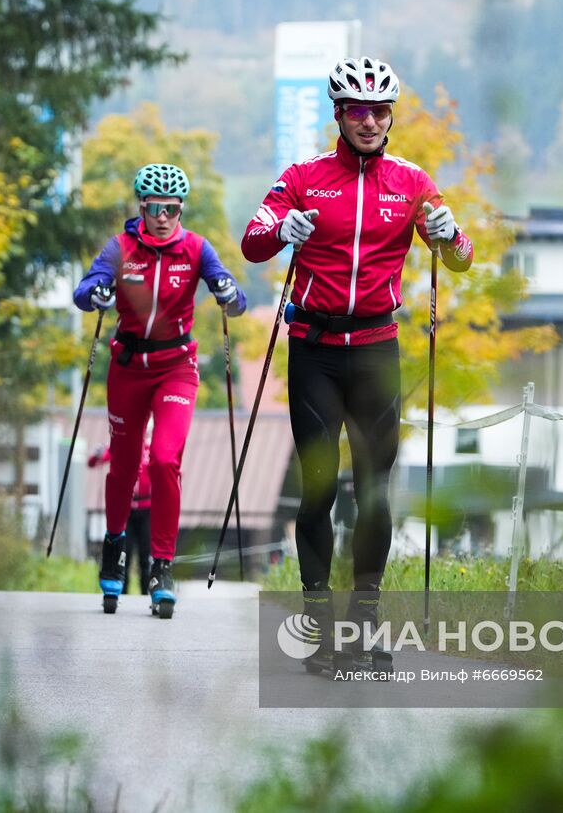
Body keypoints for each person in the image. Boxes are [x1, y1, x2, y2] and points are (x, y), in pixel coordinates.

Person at [242, 56, 473, 672]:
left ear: (390, 114)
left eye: (380, 109)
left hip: (376, 351)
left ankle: (363, 622)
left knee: (374, 493)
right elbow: (252, 241)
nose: (369, 121)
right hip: (315, 349)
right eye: (357, 110)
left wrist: (452, 238)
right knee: (318, 492)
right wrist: (280, 230)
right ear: (338, 115)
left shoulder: (413, 182)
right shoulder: (304, 176)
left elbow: (460, 261)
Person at [74, 163, 247, 618]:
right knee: (125, 465)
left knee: (166, 458)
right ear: (142, 207)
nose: (164, 217)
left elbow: (235, 296)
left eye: (172, 208)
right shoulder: (122, 248)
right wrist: (97, 295)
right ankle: (114, 546)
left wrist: (229, 293)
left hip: (176, 367)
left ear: (181, 208)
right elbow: (84, 288)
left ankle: (161, 566)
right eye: (155, 208)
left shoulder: (195, 248)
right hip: (129, 366)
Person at [87, 436, 152, 597]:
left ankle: (147, 594)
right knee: (125, 555)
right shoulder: (125, 443)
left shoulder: (151, 448)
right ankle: (122, 593)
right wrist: (97, 454)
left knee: (146, 557)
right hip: (128, 509)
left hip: (147, 509)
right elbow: (93, 462)